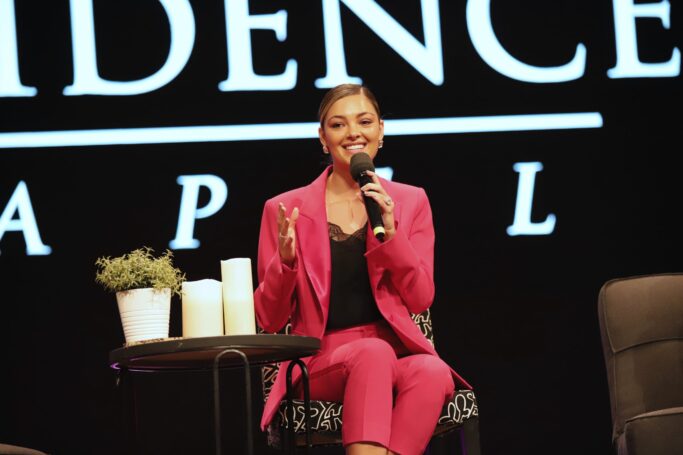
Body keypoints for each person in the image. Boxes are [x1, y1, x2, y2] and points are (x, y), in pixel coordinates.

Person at [254, 84, 471, 455]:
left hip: (395, 349)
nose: (353, 132)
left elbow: (420, 299)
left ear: (381, 131)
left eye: (365, 121)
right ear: (323, 139)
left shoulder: (408, 200)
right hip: (319, 359)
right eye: (338, 125)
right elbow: (270, 320)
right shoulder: (284, 208)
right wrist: (286, 262)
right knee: (372, 354)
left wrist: (392, 237)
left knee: (432, 371)